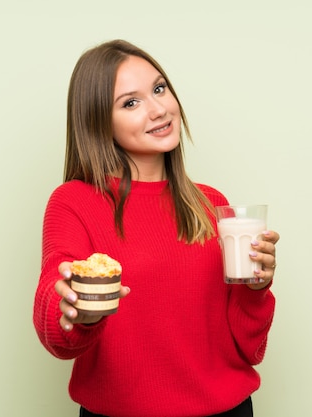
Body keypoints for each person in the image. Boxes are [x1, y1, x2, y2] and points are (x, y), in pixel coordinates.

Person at [33, 39, 280, 417]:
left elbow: (250, 350)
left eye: (159, 89)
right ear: (98, 121)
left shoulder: (211, 204)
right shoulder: (73, 203)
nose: (158, 109)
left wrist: (257, 287)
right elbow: (57, 319)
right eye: (130, 103)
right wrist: (73, 310)